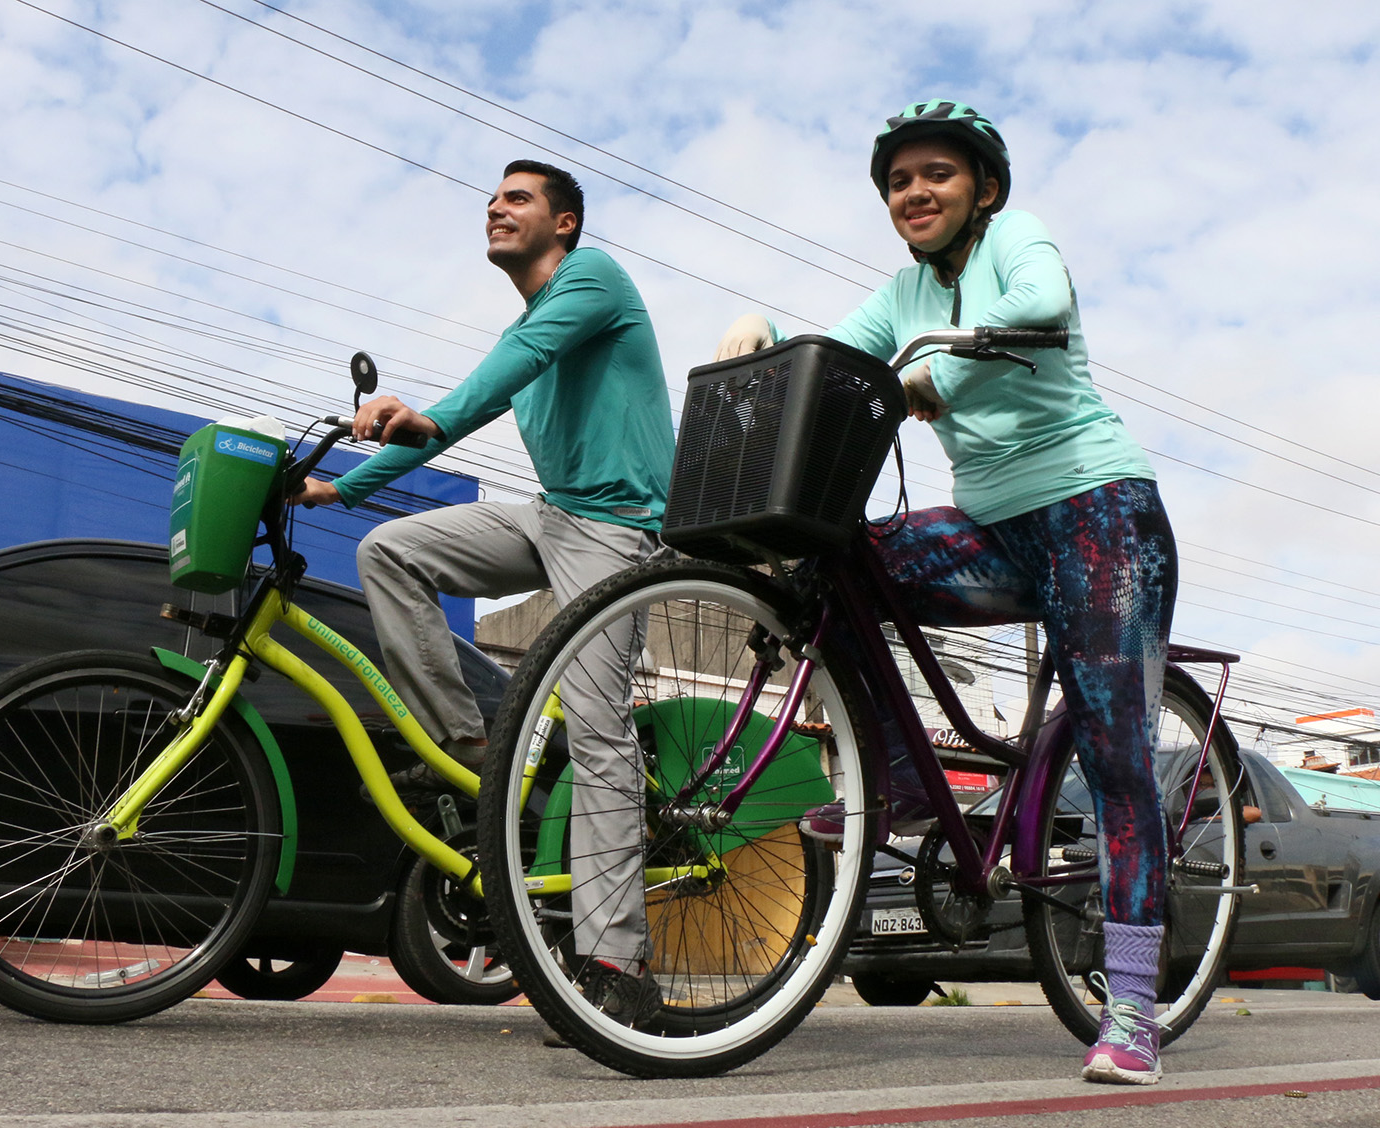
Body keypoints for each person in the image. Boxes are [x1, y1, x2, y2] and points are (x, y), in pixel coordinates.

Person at [714, 101, 1178, 1085]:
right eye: (899, 181)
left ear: (984, 189)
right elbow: (835, 358)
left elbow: (1044, 303)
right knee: (837, 563)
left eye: (937, 175)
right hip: (994, 534)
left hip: (1098, 517)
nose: (915, 194)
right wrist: (764, 337)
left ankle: (1133, 1009)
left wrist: (940, 367)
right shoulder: (902, 289)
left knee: (1115, 757)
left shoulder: (1018, 240)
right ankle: (899, 785)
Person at [294, 159, 675, 1024]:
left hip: (617, 528)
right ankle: (470, 746)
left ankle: (619, 967)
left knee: (598, 730)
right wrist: (339, 489)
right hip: (555, 516)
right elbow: (477, 397)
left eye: (518, 198)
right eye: (493, 199)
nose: (496, 208)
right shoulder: (532, 328)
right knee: (391, 552)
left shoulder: (592, 282)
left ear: (565, 223)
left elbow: (496, 377)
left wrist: (430, 415)